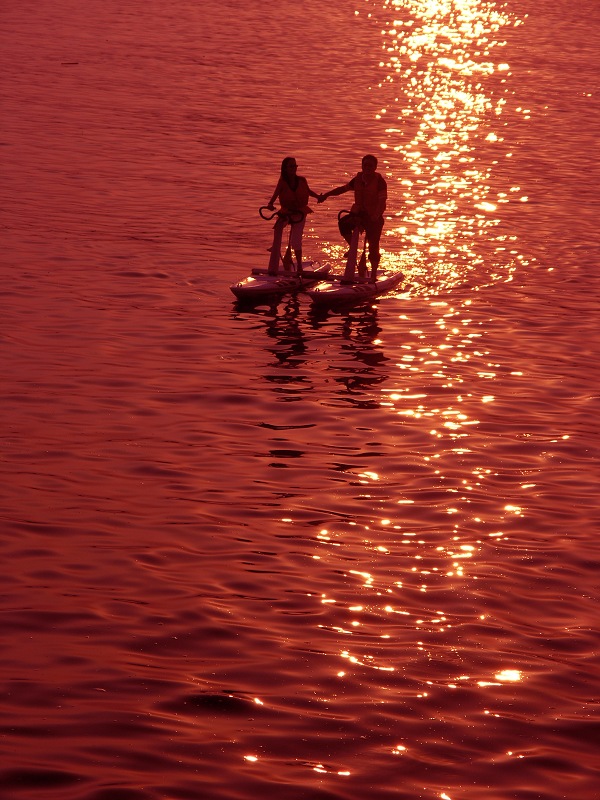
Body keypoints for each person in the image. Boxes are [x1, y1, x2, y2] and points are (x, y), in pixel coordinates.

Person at [318, 154, 387, 280]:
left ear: (375, 167)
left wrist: (375, 216)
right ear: (362, 166)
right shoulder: (357, 180)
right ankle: (353, 248)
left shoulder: (380, 182)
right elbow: (342, 189)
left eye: (370, 165)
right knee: (343, 224)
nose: (367, 168)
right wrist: (326, 195)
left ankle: (372, 276)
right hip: (359, 214)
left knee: (373, 246)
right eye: (365, 165)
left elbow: (382, 203)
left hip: (374, 217)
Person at [266, 157, 320, 275]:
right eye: (291, 166)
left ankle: (299, 267)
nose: (294, 168)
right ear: (285, 168)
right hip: (287, 211)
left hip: (300, 213)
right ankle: (275, 249)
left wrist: (318, 197)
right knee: (278, 227)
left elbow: (308, 191)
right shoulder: (282, 181)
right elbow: (275, 194)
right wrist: (270, 204)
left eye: (295, 166)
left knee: (296, 240)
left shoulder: (302, 180)